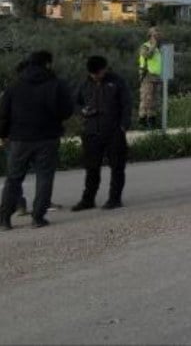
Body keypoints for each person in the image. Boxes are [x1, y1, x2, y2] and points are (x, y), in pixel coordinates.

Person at [0, 50, 74, 230]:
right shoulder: (56, 84)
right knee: (44, 177)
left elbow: (3, 114)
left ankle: (4, 220)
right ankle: (38, 218)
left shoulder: (15, 86)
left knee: (13, 179)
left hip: (19, 139)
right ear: (47, 63)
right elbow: (67, 110)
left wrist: (3, 134)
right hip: (47, 137)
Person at [72, 56, 132, 211]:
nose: (96, 77)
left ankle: (114, 199)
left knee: (117, 166)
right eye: (93, 74)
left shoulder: (117, 81)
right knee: (91, 168)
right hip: (91, 131)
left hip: (114, 131)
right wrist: (82, 111)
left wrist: (124, 126)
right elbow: (75, 103)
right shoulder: (85, 84)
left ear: (105, 69)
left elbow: (127, 104)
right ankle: (88, 200)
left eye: (98, 73)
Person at [137, 27, 163, 130]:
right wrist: (153, 46)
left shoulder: (158, 48)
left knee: (155, 100)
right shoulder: (145, 46)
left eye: (158, 35)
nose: (157, 37)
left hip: (157, 77)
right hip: (147, 75)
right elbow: (147, 56)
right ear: (150, 36)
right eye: (155, 35)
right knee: (146, 99)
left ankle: (152, 121)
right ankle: (142, 120)